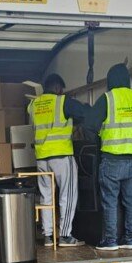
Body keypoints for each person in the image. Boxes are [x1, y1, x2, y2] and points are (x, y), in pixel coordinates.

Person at [90, 63, 132, 251]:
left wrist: (100, 135)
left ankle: (110, 240)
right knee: (131, 201)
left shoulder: (108, 99)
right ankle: (130, 239)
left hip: (111, 158)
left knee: (110, 201)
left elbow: (90, 123)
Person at [28, 74, 87, 247]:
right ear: (58, 88)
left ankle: (47, 236)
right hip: (61, 156)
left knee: (46, 197)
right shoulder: (63, 102)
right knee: (67, 195)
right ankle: (65, 235)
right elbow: (82, 112)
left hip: (42, 158)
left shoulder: (33, 105)